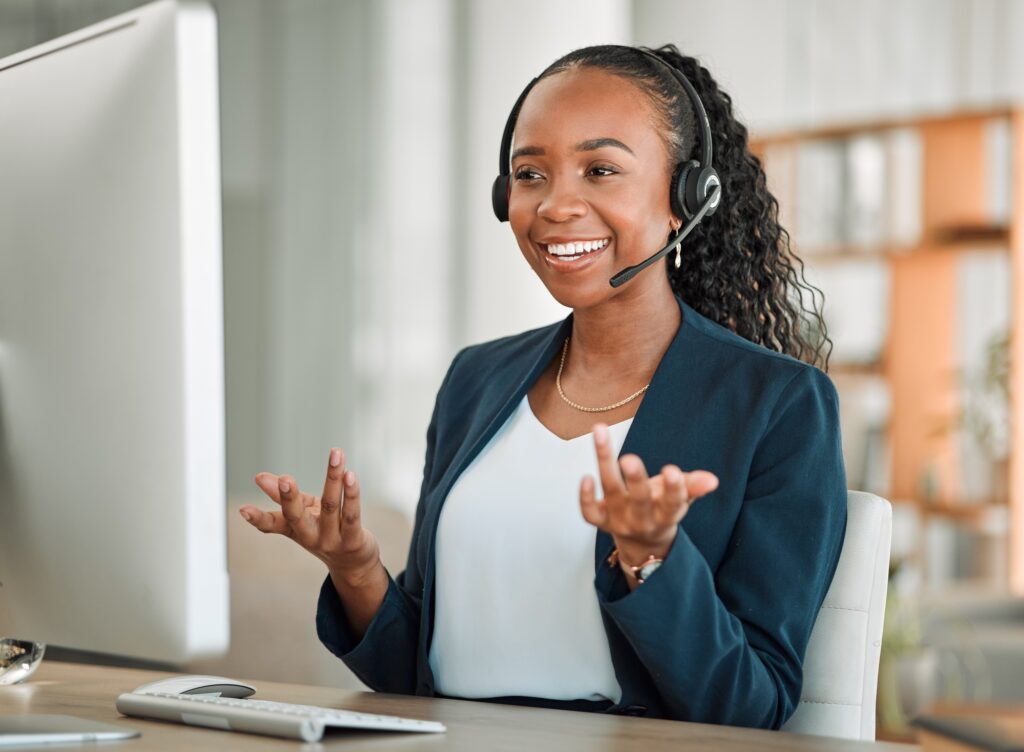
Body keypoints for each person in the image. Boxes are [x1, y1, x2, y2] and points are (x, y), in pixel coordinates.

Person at [240, 44, 847, 729]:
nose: (557, 205)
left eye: (600, 169)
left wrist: (652, 562)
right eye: (531, 173)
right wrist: (357, 572)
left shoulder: (777, 404)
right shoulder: (476, 379)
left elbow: (752, 707)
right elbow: (418, 675)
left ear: (687, 198)